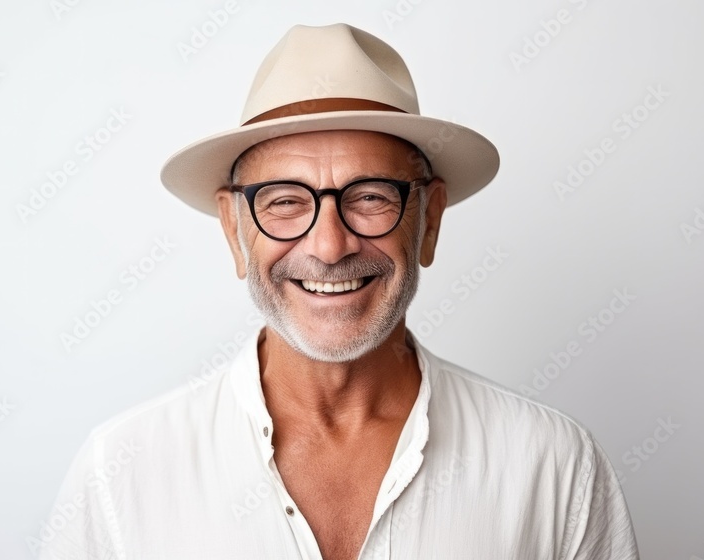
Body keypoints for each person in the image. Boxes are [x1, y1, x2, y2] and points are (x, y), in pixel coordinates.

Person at [37, 23, 639, 560]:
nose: (329, 246)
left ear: (429, 220)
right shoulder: (121, 474)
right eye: (286, 202)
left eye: (371, 196)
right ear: (234, 230)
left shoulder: (553, 466)